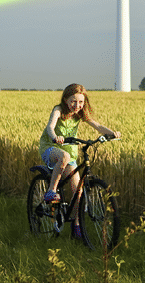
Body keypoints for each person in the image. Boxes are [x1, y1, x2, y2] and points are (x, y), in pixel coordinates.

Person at [39, 83, 120, 238]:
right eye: (73, 101)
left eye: (81, 102)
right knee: (64, 157)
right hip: (51, 147)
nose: (77, 105)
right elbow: (50, 126)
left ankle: (76, 225)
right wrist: (55, 137)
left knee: (79, 192)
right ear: (65, 99)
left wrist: (112, 133)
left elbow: (97, 125)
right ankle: (51, 191)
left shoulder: (80, 114)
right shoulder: (58, 110)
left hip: (70, 152)